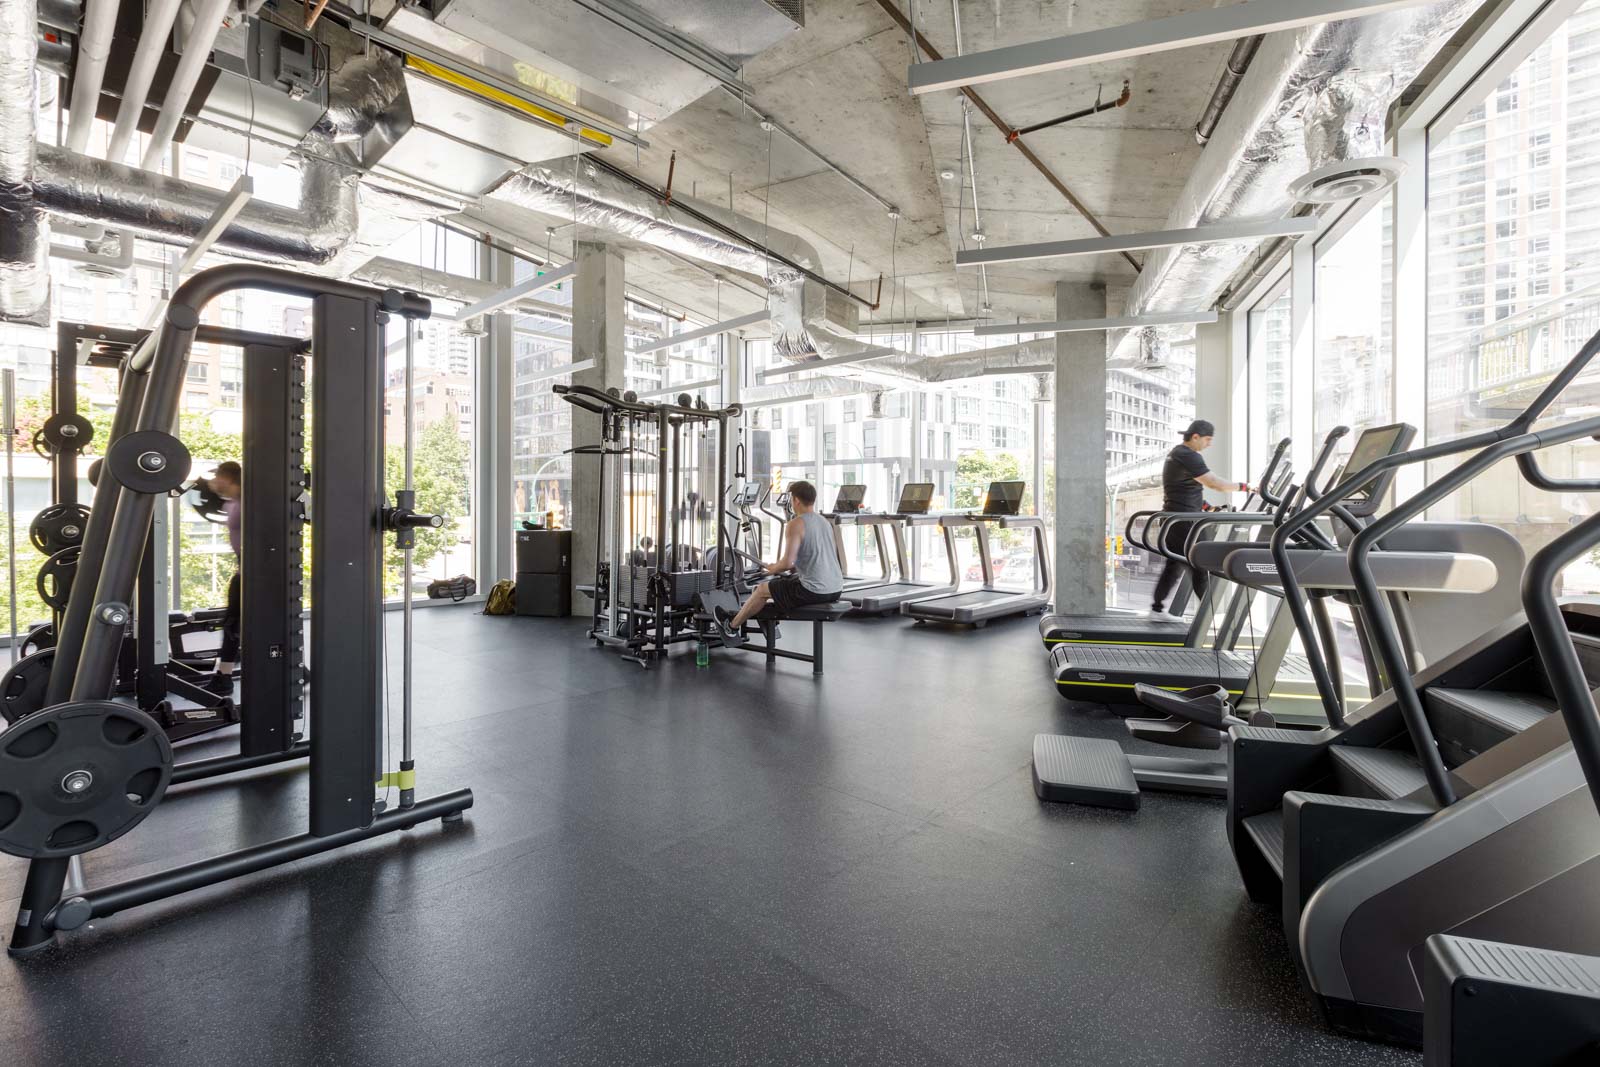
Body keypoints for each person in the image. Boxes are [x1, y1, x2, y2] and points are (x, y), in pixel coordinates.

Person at [713, 479, 842, 643]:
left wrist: (773, 568)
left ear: (795, 500)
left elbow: (787, 563)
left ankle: (731, 626)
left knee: (761, 589)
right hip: (836, 587)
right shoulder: (824, 522)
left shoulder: (796, 524)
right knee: (768, 587)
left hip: (814, 591)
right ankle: (766, 619)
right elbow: (820, 556)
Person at [1150, 420, 1252, 616]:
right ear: (1195, 437)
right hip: (1186, 523)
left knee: (1173, 566)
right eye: (1207, 439)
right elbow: (1214, 483)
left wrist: (1207, 507)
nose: (1209, 444)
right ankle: (1209, 616)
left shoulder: (1177, 454)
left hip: (1176, 520)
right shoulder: (1188, 455)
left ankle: (1157, 609)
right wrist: (1246, 487)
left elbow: (1184, 489)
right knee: (1202, 565)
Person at [203, 461, 243, 696]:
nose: (213, 481)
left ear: (228, 478)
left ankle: (224, 677)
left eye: (217, 477)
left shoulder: (250, 501)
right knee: (232, 623)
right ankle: (223, 676)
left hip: (257, 572)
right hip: (243, 570)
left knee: (233, 623)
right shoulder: (231, 503)